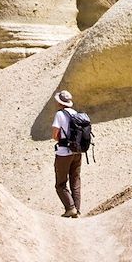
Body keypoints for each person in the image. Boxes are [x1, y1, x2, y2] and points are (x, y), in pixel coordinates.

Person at [52, 89, 81, 218]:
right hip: (77, 151)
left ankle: (70, 208)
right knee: (75, 180)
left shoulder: (59, 114)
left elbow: (55, 135)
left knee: (60, 183)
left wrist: (62, 140)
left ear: (60, 103)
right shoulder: (75, 113)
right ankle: (77, 210)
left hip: (64, 153)